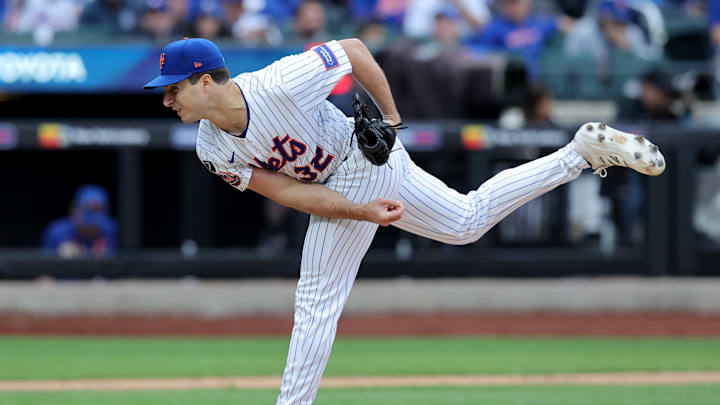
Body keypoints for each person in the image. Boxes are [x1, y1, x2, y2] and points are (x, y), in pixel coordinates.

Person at [144, 37, 666, 404]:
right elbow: (284, 190)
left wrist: (391, 118)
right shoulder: (210, 146)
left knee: (317, 299)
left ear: (208, 81)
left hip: (362, 156)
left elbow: (352, 49)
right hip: (343, 183)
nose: (167, 98)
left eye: (175, 88)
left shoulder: (277, 83)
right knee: (467, 220)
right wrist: (359, 211)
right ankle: (578, 153)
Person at [42, 184, 117, 259]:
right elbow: (44, 265)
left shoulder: (114, 230)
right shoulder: (57, 232)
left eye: (97, 210)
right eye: (87, 210)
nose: (91, 218)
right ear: (74, 209)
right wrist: (60, 257)